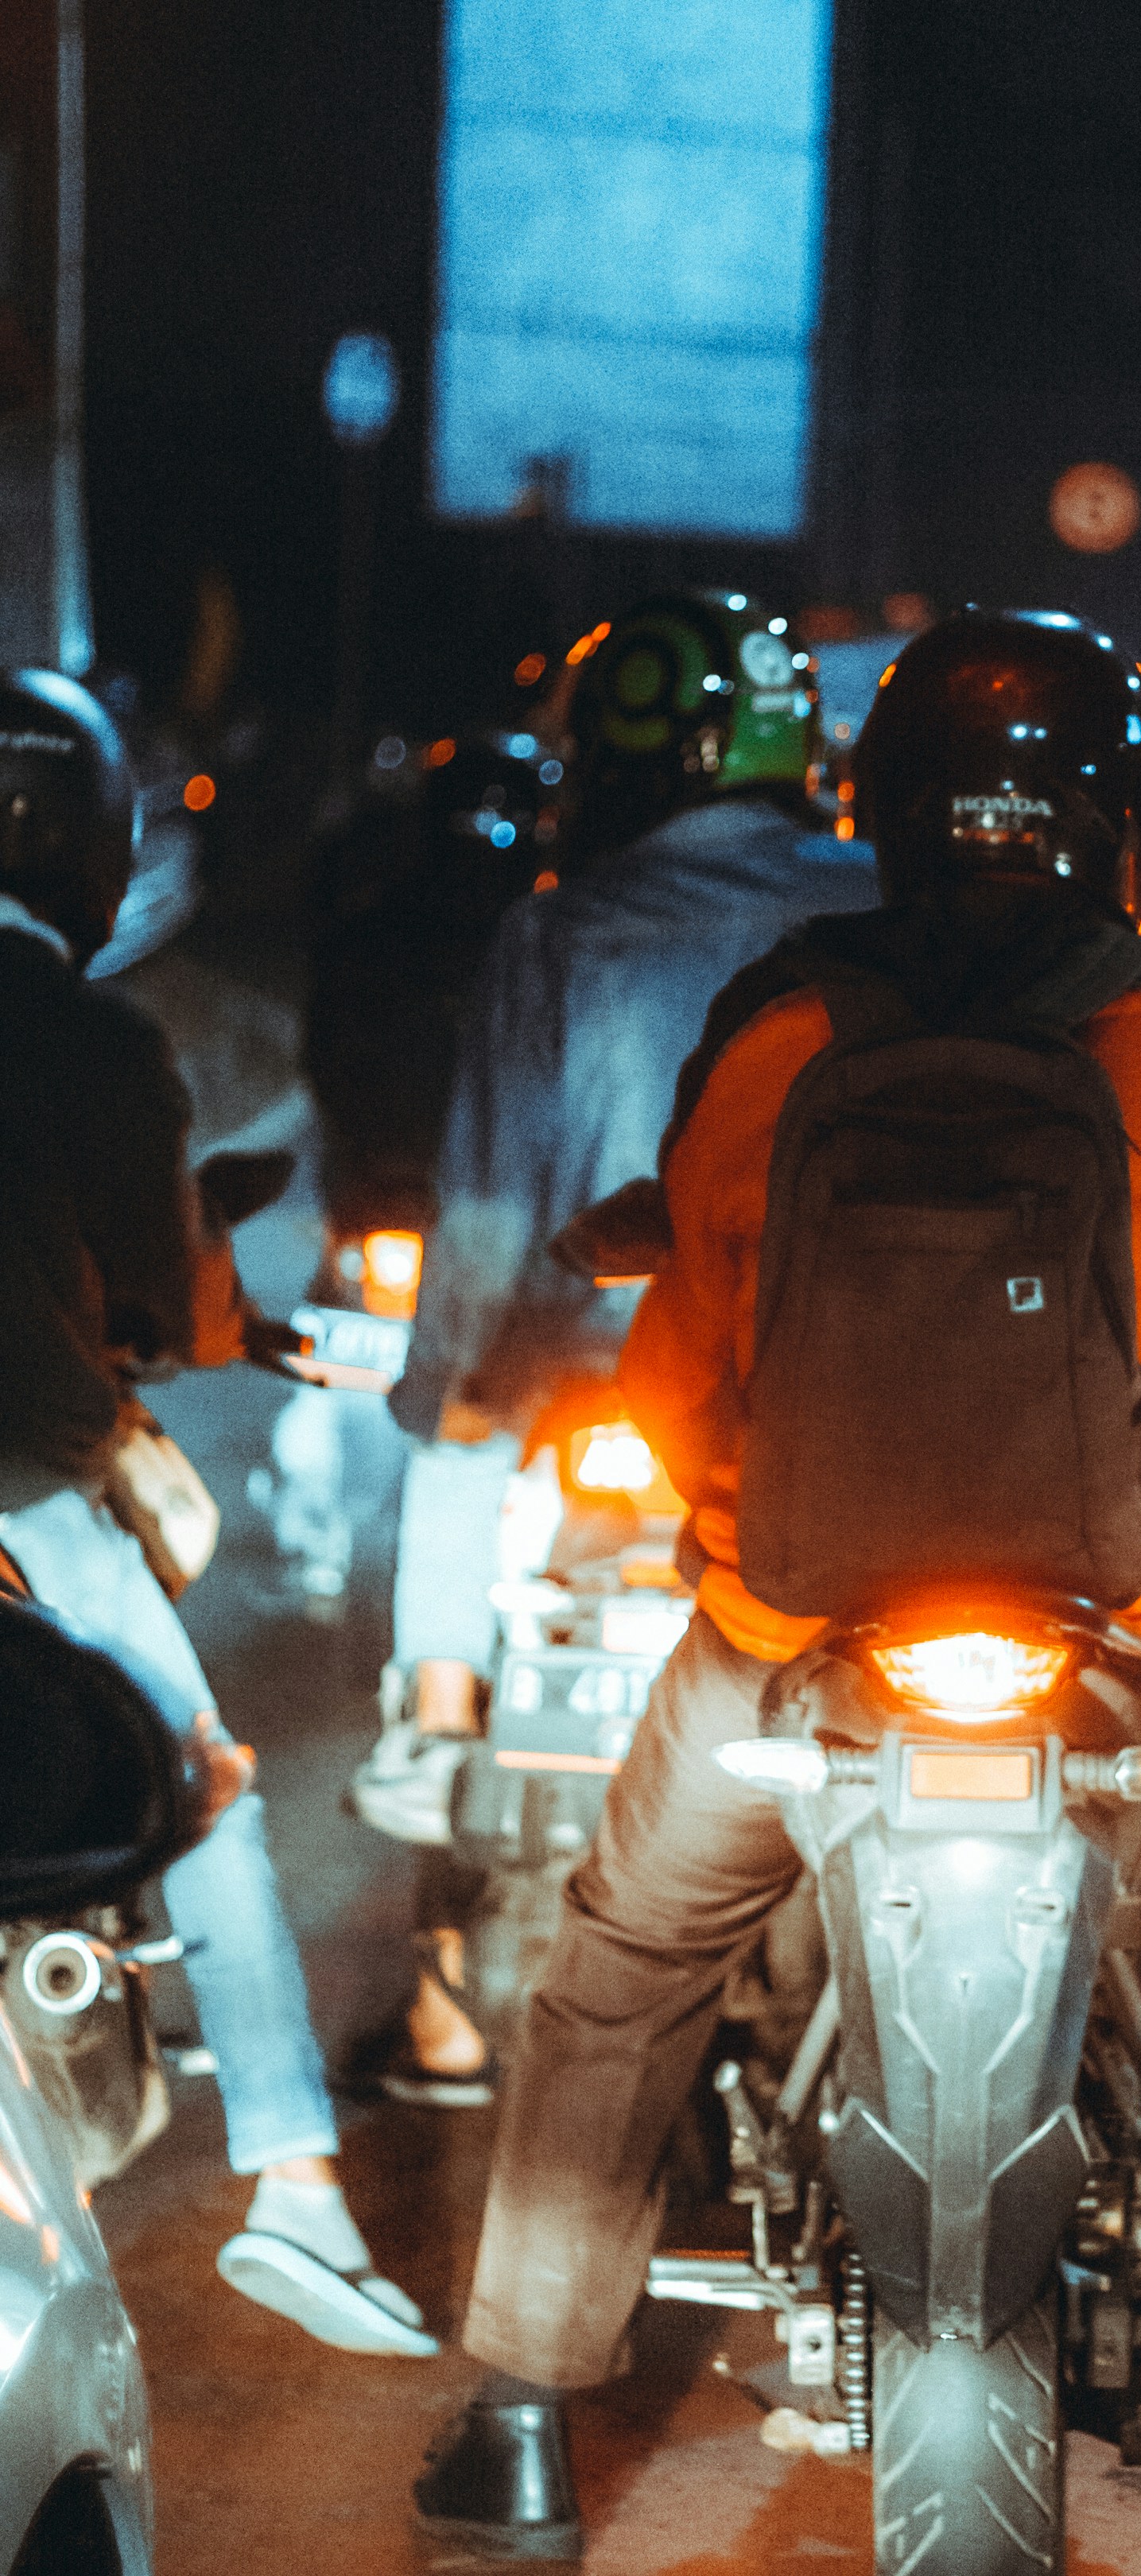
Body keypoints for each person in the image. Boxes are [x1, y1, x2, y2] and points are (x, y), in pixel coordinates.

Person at [414, 609, 1141, 2555]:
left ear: (884, 811)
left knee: (623, 1962)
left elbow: (674, 1382)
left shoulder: (780, 1039)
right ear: (1130, 826)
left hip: (804, 1634)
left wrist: (758, 1568)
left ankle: (523, 2403)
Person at [356, 596, 876, 2103]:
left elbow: (491, 1201)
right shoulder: (881, 912)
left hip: (590, 1379)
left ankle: (440, 1834)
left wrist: (443, 1388)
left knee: (450, 1470)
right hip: (819, 1394)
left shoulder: (560, 928)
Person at [0, 668, 435, 2356]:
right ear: (100, 853)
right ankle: (300, 2198)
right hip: (30, 1479)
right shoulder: (94, 1036)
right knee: (207, 1796)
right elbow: (175, 1316)